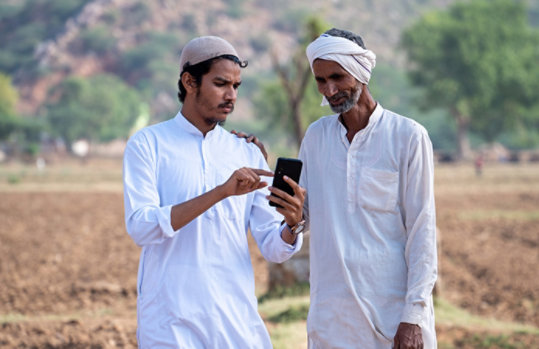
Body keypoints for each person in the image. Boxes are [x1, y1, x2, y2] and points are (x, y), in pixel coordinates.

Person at [123, 35, 306, 348]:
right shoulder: (148, 144)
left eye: (236, 86)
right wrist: (220, 192)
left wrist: (292, 225)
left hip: (235, 322)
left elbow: (273, 248)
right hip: (169, 323)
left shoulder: (246, 153)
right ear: (189, 81)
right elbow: (141, 227)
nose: (231, 95)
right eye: (221, 83)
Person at [300, 28, 438, 348]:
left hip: (393, 317)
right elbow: (301, 217)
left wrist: (413, 317)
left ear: (361, 73)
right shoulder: (316, 137)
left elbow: (422, 231)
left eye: (337, 76)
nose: (329, 89)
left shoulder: (407, 137)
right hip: (331, 319)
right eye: (321, 80)